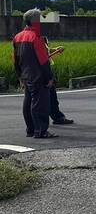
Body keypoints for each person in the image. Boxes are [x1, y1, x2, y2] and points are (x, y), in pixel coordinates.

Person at [12, 9, 56, 138]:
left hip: (25, 75)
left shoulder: (17, 37)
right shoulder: (36, 38)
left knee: (28, 102)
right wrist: (49, 78)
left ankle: (30, 129)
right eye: (40, 20)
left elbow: (15, 59)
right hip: (38, 76)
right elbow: (43, 61)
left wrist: (19, 76)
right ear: (35, 21)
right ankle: (41, 131)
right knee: (40, 104)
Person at [42, 37, 74, 125]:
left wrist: (55, 49)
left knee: (51, 96)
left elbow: (45, 51)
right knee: (45, 98)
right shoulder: (36, 37)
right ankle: (40, 124)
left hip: (43, 70)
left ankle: (56, 117)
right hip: (42, 71)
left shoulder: (41, 36)